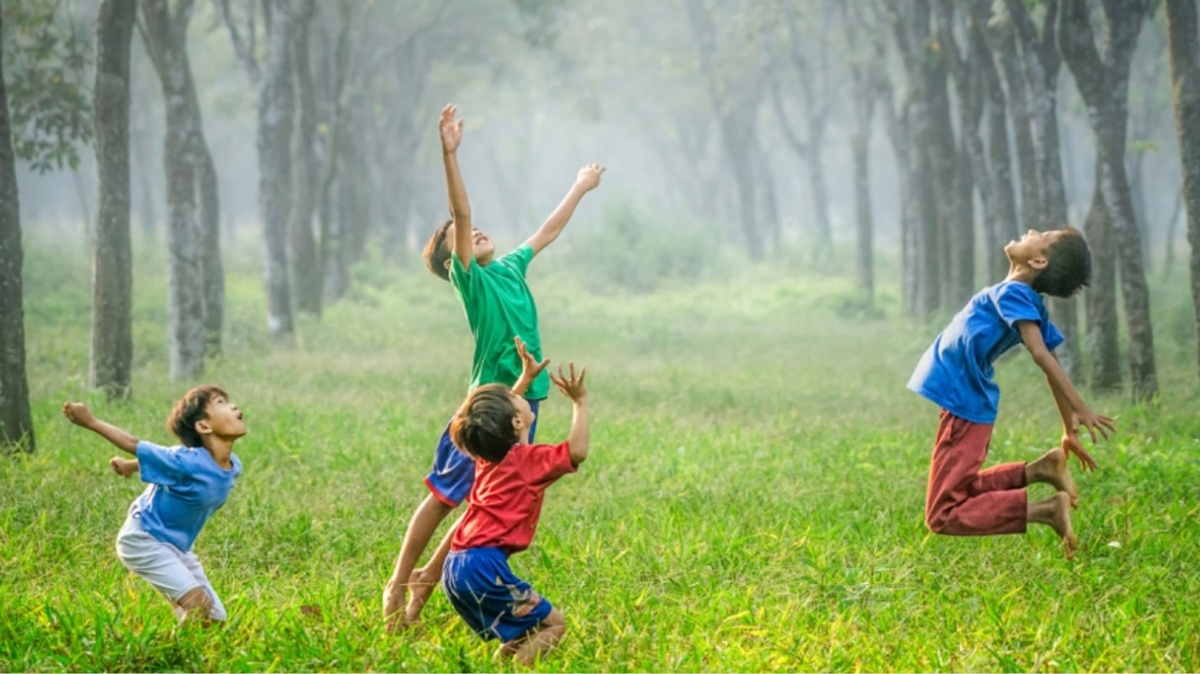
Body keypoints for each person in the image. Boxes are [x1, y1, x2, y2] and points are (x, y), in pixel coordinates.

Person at [382, 103, 603, 631]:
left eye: (477, 229)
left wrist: (579, 187)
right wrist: (449, 154)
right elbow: (460, 213)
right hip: (487, 405)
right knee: (443, 496)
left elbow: (546, 231)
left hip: (527, 401)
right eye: (459, 237)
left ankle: (423, 593)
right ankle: (399, 585)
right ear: (450, 261)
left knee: (485, 501)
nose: (474, 231)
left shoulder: (508, 267)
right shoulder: (472, 281)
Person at [907, 228, 1116, 559]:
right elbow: (1050, 358)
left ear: (1038, 260)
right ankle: (1041, 470)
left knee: (942, 514)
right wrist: (1068, 428)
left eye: (1042, 234)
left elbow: (1041, 353)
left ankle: (1046, 511)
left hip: (964, 405)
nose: (1032, 230)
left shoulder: (1016, 293)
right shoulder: (1019, 296)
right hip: (964, 403)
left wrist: (1079, 408)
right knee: (959, 490)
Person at [442, 358, 589, 667]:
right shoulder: (528, 461)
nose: (520, 395)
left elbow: (492, 420)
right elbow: (577, 451)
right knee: (554, 624)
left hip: (455, 566)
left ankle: (499, 666)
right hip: (483, 567)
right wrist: (580, 402)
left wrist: (524, 379)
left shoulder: (487, 458)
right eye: (517, 397)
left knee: (523, 632)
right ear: (517, 423)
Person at [62, 386, 246, 623]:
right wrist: (90, 421)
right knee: (198, 607)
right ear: (203, 426)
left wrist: (130, 465)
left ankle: (184, 625)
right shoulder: (186, 460)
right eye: (221, 402)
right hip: (144, 539)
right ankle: (166, 654)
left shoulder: (233, 466)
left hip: (177, 547)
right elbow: (134, 443)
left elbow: (168, 464)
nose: (232, 406)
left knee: (214, 619)